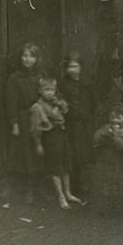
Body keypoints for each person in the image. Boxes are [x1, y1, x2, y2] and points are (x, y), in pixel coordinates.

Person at [30, 76, 82, 210]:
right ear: (40, 91)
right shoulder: (38, 107)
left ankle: (68, 193)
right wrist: (38, 144)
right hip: (50, 136)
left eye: (52, 90)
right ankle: (61, 196)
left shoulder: (57, 101)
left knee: (65, 164)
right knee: (56, 167)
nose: (49, 93)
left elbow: (66, 110)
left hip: (62, 134)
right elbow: (36, 128)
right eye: (46, 90)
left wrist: (59, 104)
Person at [6, 42, 43, 203]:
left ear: (36, 59)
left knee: (39, 149)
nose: (27, 59)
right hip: (22, 118)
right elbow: (11, 102)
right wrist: (14, 122)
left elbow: (49, 92)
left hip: (39, 117)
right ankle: (29, 189)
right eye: (25, 56)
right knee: (26, 152)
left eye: (31, 56)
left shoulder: (40, 76)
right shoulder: (15, 78)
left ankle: (41, 185)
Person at [60, 52, 96, 198]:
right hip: (70, 124)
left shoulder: (86, 83)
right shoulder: (63, 84)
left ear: (80, 67)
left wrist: (86, 113)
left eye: (75, 66)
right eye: (69, 67)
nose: (72, 70)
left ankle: (84, 182)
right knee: (72, 152)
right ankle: (73, 184)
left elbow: (93, 102)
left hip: (83, 124)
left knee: (84, 153)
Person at [90, 106, 123, 214]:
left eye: (119, 117)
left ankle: (121, 206)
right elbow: (96, 137)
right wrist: (103, 135)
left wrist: (114, 137)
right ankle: (107, 205)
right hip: (105, 160)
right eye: (112, 117)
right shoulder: (106, 128)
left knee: (120, 184)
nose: (115, 120)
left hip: (120, 162)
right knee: (106, 183)